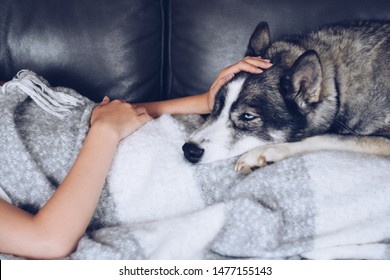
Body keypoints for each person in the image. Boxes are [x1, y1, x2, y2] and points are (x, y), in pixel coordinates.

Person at [0, 56, 272, 259]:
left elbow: (99, 116)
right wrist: (104, 132)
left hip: (188, 133)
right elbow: (47, 240)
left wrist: (206, 102)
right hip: (153, 179)